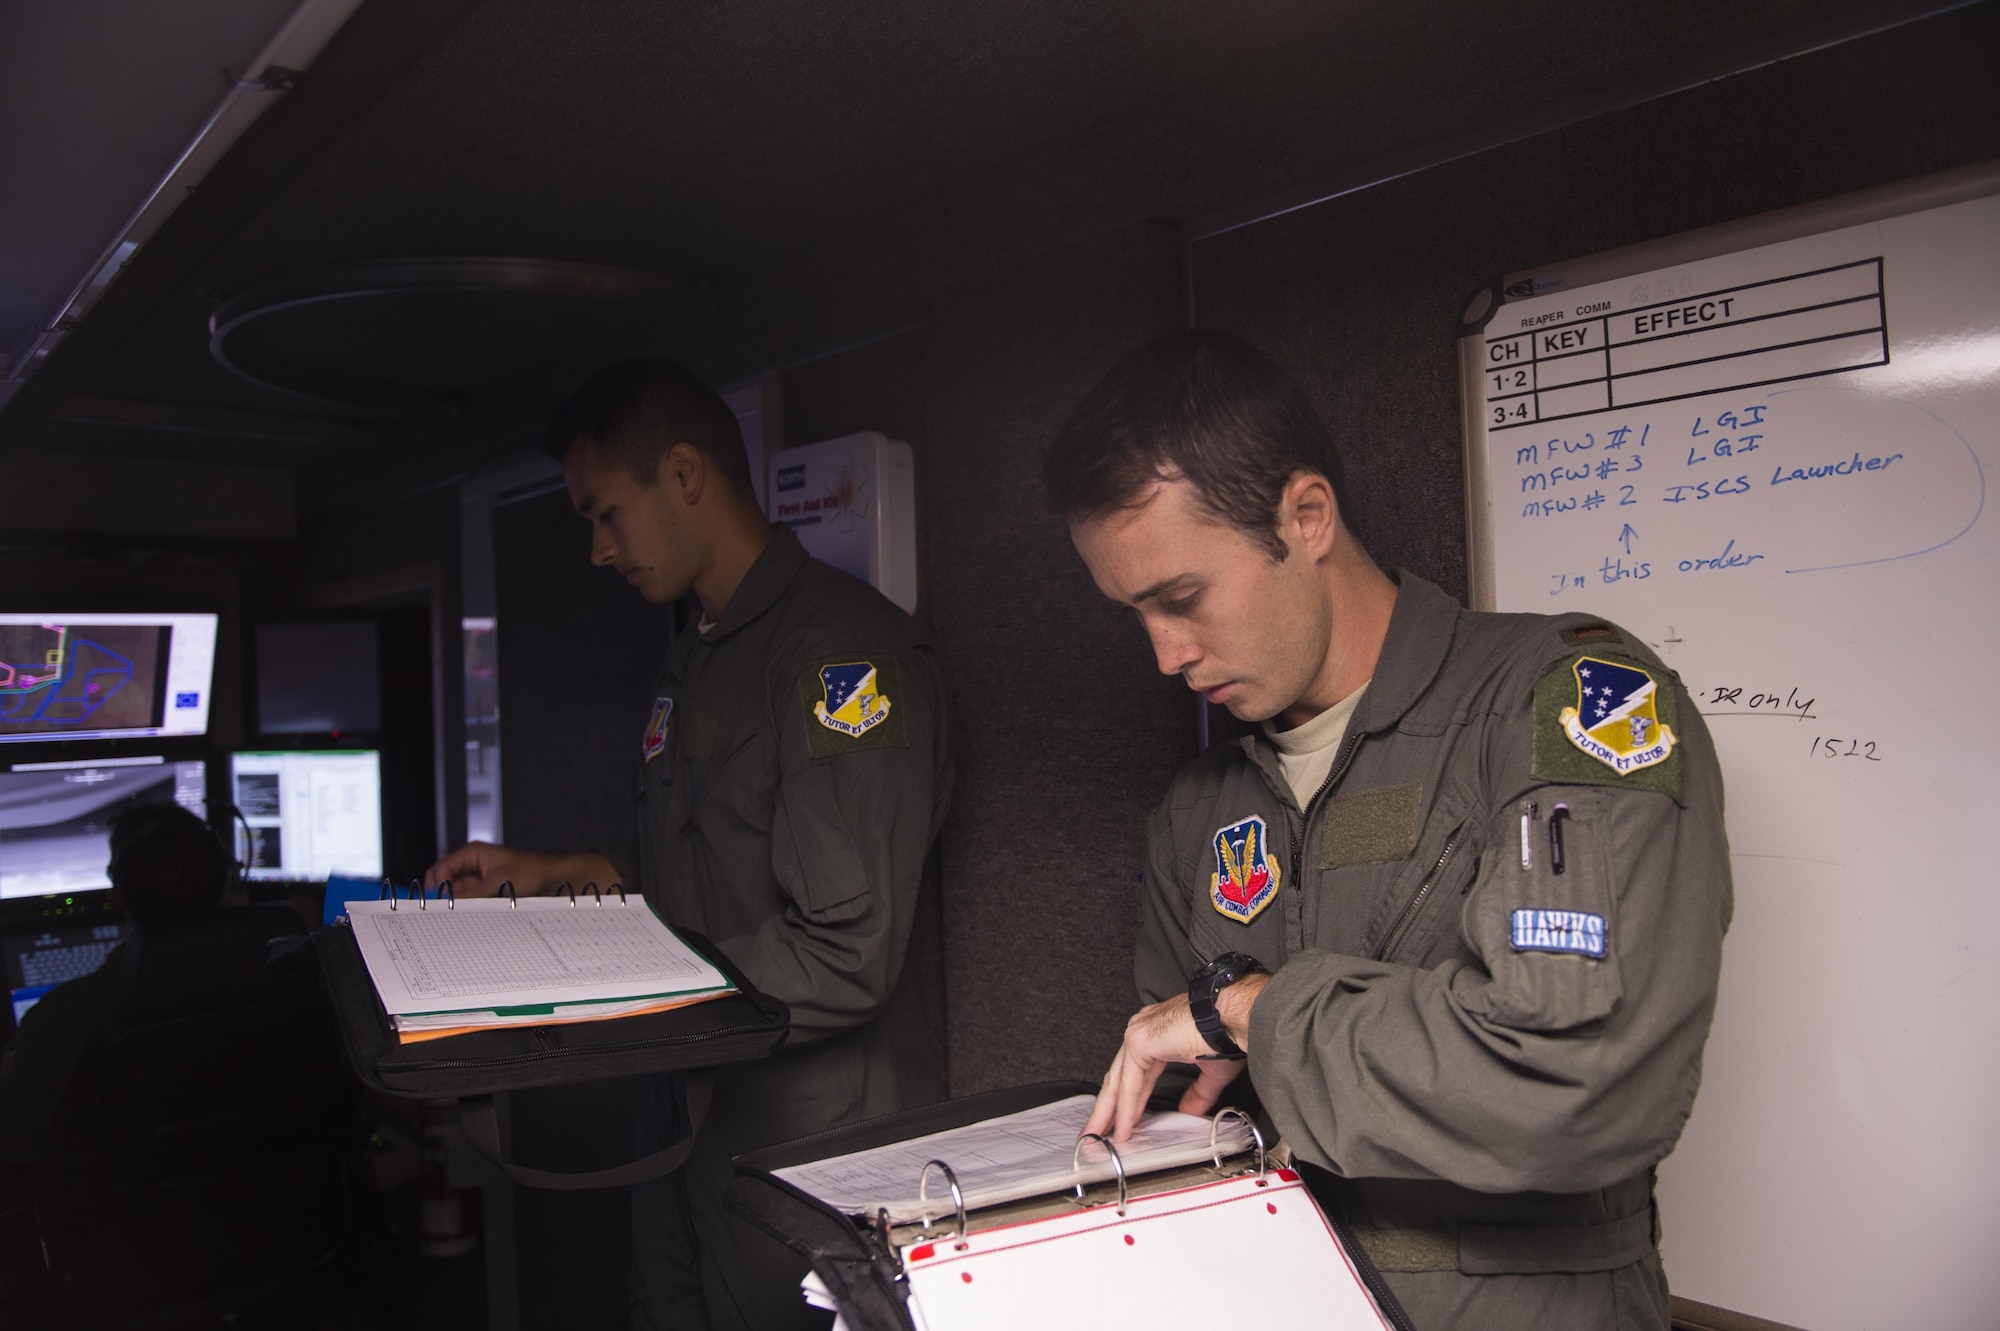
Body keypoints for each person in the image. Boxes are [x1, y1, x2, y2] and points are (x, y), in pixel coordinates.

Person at [1046, 331, 1731, 1329]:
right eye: (1133, 614)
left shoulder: (1561, 707)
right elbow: (1188, 1120)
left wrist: (1250, 1008)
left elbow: (1574, 1084)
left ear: (1305, 516)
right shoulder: (1200, 804)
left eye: (1181, 597)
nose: (1164, 654)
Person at [426, 359, 953, 1331]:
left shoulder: (838, 654)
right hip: (686, 1123)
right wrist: (549, 876)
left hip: (805, 1146)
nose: (596, 548)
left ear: (682, 475)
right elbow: (698, 876)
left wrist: (617, 1004)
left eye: (603, 513)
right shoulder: (695, 654)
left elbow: (846, 953)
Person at [0, 803, 229, 1169]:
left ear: (117, 897)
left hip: (121, 1218)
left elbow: (15, 1154)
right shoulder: (283, 977)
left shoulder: (57, 1021)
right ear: (228, 880)